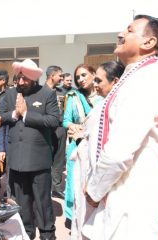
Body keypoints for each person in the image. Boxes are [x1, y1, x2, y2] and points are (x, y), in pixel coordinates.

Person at [82, 15, 158, 240]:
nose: (121, 34)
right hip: (121, 193)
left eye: (130, 30)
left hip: (132, 200)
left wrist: (95, 190)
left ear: (148, 43)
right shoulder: (137, 75)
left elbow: (119, 151)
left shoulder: (146, 79)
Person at [0, 58, 60, 240]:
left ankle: (47, 235)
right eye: (19, 78)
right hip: (16, 160)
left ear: (34, 78)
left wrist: (26, 114)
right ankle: (27, 234)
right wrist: (14, 114)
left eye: (25, 79)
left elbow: (53, 120)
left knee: (43, 203)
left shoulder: (46, 94)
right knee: (22, 203)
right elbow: (0, 118)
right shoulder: (9, 95)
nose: (21, 82)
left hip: (39, 161)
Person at [69, 61, 124, 240]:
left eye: (99, 81)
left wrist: (94, 188)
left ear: (114, 82)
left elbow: (113, 153)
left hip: (104, 180)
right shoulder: (80, 98)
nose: (95, 85)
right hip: (90, 171)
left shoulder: (116, 104)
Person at [63, 64, 99, 221]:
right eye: (78, 77)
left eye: (84, 75)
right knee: (75, 182)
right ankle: (74, 217)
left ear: (93, 74)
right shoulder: (73, 96)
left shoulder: (105, 96)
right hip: (78, 145)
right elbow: (65, 120)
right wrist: (73, 126)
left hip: (98, 146)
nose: (80, 79)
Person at [45, 65, 66, 199]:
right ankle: (46, 187)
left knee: (59, 159)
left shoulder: (62, 92)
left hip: (60, 129)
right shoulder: (41, 91)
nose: (62, 78)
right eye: (60, 75)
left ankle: (57, 187)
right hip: (46, 130)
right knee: (45, 159)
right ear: (52, 75)